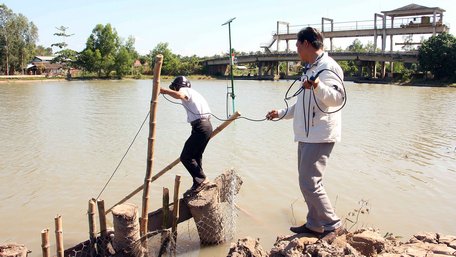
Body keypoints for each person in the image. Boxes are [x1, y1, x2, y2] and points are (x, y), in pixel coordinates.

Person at [266, 27, 346, 242]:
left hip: (320, 133)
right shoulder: (311, 68)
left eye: (298, 45)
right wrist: (281, 113)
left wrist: (318, 85)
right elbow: (302, 103)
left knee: (310, 182)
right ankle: (314, 224)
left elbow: (337, 99)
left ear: (307, 44)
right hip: (306, 134)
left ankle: (332, 224)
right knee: (305, 181)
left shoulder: (329, 68)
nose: (296, 50)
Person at [160, 76, 213, 196]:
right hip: (206, 126)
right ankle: (197, 182)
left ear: (178, 86)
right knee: (196, 156)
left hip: (201, 126)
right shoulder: (194, 92)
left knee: (185, 157)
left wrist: (163, 91)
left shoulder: (185, 91)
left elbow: (180, 96)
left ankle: (202, 180)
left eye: (175, 88)